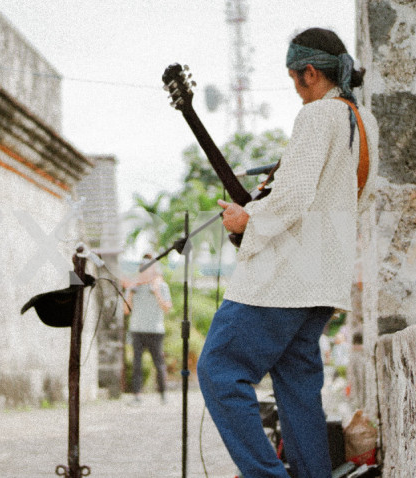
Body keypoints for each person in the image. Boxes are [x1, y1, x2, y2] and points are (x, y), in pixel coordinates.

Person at [196, 27, 379, 478]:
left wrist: (247, 220)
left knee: (219, 370)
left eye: (295, 80)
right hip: (323, 278)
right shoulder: (363, 121)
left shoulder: (318, 116)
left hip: (284, 280)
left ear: (310, 73)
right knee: (298, 389)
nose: (296, 91)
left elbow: (294, 196)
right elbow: (361, 198)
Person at [124, 253, 172, 404]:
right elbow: (125, 310)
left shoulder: (162, 286)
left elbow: (167, 308)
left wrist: (156, 291)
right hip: (137, 329)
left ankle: (163, 394)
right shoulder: (134, 287)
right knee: (137, 363)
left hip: (155, 330)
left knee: (158, 363)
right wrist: (131, 292)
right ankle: (137, 395)